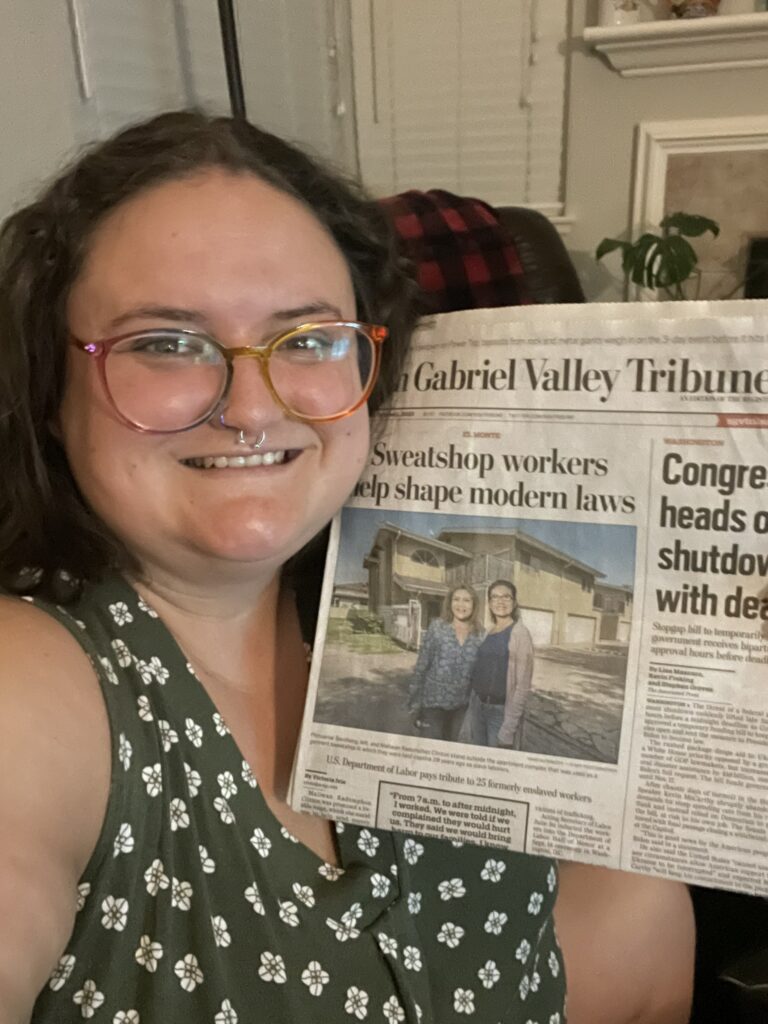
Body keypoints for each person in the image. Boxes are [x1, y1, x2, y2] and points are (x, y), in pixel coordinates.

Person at [0, 111, 566, 1023]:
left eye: (306, 339)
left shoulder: (388, 616)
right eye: (165, 344)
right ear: (49, 390)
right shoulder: (31, 687)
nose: (252, 407)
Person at [407, 585, 484, 741]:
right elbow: (421, 667)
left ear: (474, 605)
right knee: (432, 753)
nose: (461, 605)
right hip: (433, 704)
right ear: (449, 603)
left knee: (452, 752)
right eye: (456, 599)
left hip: (462, 707)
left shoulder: (480, 634)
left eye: (466, 600)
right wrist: (415, 704)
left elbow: (481, 674)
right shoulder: (437, 627)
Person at [463, 580, 532, 749]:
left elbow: (522, 686)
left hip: (499, 714)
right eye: (494, 597)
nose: (500, 601)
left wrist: (508, 729)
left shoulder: (520, 634)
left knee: (496, 767)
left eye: (506, 597)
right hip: (477, 707)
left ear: (514, 602)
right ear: (489, 603)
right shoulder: (488, 631)